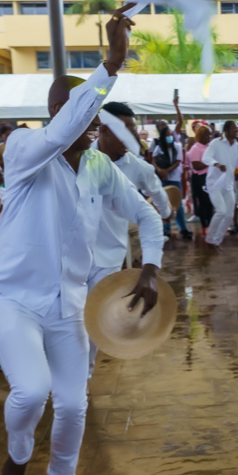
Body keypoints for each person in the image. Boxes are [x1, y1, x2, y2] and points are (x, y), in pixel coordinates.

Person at [0, 4, 158, 475]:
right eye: (65, 109)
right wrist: (112, 63)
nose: (77, 118)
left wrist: (149, 267)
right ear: (52, 115)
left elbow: (147, 217)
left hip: (69, 299)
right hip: (14, 296)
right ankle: (17, 454)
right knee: (32, 392)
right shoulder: (24, 148)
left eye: (82, 110)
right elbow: (60, 132)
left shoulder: (101, 166)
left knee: (75, 404)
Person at [90, 104, 166, 373]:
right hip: (67, 264)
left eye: (134, 131)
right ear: (104, 130)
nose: (132, 139)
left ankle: (82, 387)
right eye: (126, 131)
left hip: (107, 260)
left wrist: (166, 214)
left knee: (91, 333)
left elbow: (154, 203)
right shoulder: (77, 162)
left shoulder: (134, 167)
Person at [202, 121, 238, 250]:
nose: (237, 131)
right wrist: (217, 164)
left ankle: (216, 242)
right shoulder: (216, 143)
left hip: (228, 184)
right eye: (234, 129)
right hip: (214, 183)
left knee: (229, 215)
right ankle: (209, 240)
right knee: (221, 211)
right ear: (227, 130)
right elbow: (205, 158)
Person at [152, 119, 191, 239]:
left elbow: (178, 161)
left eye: (170, 134)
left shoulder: (177, 147)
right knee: (164, 203)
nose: (169, 136)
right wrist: (158, 170)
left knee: (177, 204)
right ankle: (166, 228)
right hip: (163, 179)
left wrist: (166, 171)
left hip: (174, 178)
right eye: (167, 135)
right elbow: (153, 159)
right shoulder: (159, 147)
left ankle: (183, 228)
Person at [186, 126, 214, 237]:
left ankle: (211, 225)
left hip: (210, 177)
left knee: (211, 202)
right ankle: (204, 225)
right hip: (200, 178)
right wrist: (211, 162)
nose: (210, 137)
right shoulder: (195, 148)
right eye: (207, 135)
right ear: (201, 136)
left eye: (210, 135)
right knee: (204, 202)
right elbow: (196, 165)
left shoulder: (210, 147)